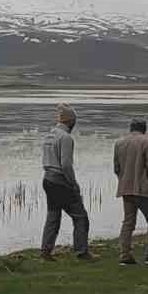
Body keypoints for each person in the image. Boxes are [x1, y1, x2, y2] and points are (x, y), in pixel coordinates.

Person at [41, 103, 96, 260]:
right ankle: (82, 251)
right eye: (74, 121)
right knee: (80, 216)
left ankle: (46, 251)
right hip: (60, 180)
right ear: (71, 122)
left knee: (53, 216)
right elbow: (66, 165)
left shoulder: (49, 135)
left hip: (47, 179)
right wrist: (73, 183)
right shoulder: (66, 138)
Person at [113, 118, 148, 266]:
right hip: (144, 188)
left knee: (128, 222)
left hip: (126, 188)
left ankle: (125, 255)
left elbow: (116, 168)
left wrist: (123, 180)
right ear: (144, 129)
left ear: (131, 128)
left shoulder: (119, 143)